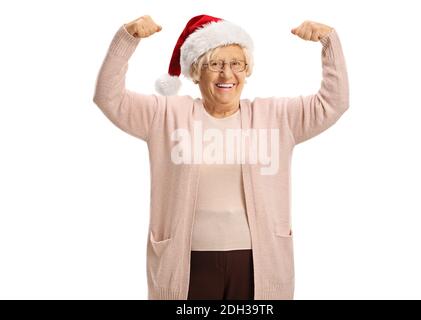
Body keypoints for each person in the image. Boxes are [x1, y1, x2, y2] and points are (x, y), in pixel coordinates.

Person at [93, 14, 349, 300]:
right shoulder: (165, 115)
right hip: (186, 264)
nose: (227, 75)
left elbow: (334, 103)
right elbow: (108, 98)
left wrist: (329, 42)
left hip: (257, 263)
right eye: (214, 64)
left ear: (246, 69)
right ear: (195, 70)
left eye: (236, 64)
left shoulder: (277, 117)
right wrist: (126, 39)